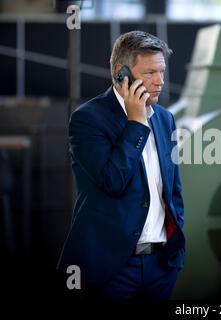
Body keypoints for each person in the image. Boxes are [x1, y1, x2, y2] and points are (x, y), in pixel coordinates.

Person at [57, 31, 185, 300]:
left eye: (162, 72)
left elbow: (172, 190)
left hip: (161, 266)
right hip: (111, 268)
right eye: (150, 73)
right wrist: (136, 123)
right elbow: (113, 180)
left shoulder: (165, 119)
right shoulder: (87, 119)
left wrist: (175, 256)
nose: (160, 82)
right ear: (121, 73)